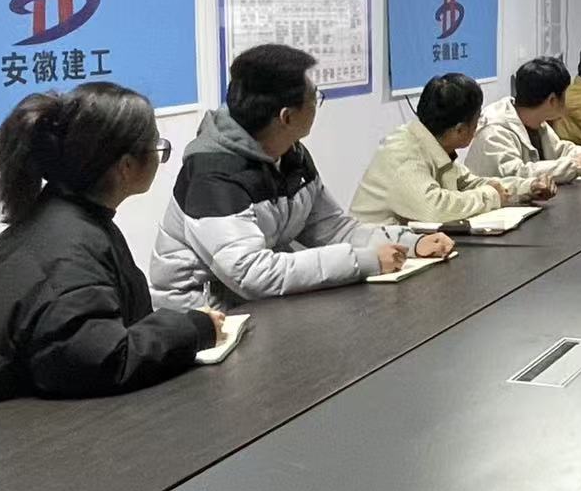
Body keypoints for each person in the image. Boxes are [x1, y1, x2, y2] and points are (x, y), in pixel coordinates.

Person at [0, 84, 220, 421]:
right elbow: (103, 361)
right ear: (126, 166)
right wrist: (193, 328)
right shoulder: (68, 249)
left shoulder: (66, 219)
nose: (160, 158)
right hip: (0, 436)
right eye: (157, 147)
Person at [151, 45, 453, 311]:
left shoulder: (290, 153)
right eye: (314, 98)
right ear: (287, 116)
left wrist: (411, 243)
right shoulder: (212, 174)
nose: (317, 103)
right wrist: (365, 261)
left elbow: (334, 228)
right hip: (202, 318)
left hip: (258, 305)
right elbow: (253, 274)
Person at [353, 73, 552, 223]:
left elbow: (472, 183)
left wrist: (527, 187)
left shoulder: (433, 144)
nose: (479, 125)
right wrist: (490, 196)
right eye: (477, 119)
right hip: (375, 256)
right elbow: (435, 208)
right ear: (460, 130)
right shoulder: (403, 153)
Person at [466, 57, 581, 185]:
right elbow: (517, 174)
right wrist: (576, 165)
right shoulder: (494, 131)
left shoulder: (537, 122)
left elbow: (559, 150)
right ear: (552, 100)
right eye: (565, 95)